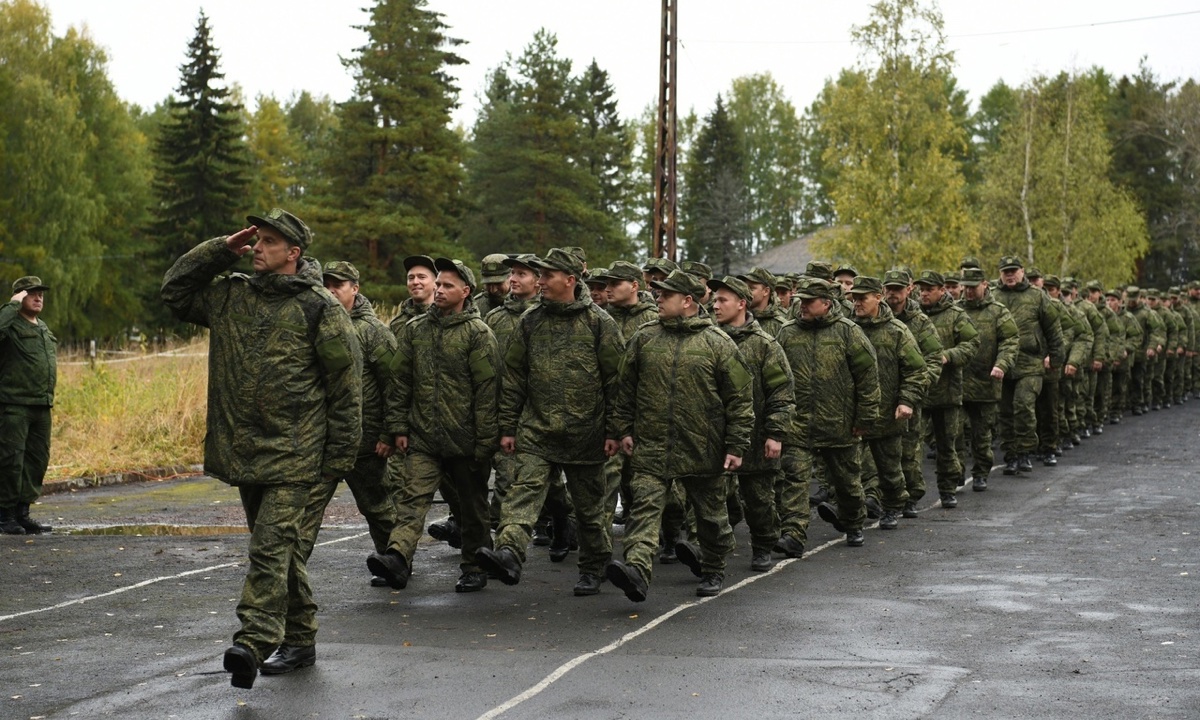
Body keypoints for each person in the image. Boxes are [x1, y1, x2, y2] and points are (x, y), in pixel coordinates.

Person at [161, 208, 362, 689]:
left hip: (298, 455)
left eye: (269, 242)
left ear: (293, 253)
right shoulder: (231, 295)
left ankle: (252, 642)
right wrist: (220, 249)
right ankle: (302, 639)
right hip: (245, 451)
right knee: (282, 551)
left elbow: (345, 389)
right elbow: (174, 292)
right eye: (256, 240)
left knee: (270, 549)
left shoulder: (320, 309)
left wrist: (336, 460)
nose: (257, 248)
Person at [476, 248, 625, 596]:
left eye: (547, 275)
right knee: (521, 495)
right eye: (538, 275)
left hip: (585, 435)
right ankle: (510, 553)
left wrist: (615, 431)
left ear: (570, 280)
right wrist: (509, 426)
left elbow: (616, 382)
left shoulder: (600, 323)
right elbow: (514, 377)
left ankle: (593, 567)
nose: (540, 281)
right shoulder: (530, 321)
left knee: (589, 512)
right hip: (537, 430)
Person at [607, 270, 755, 601]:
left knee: (711, 517)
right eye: (656, 294)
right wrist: (623, 430)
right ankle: (637, 571)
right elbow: (624, 389)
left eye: (665, 295)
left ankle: (713, 566)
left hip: (703, 448)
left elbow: (740, 400)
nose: (657, 299)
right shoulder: (645, 338)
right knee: (644, 508)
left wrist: (736, 446)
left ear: (687, 301)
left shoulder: (718, 344)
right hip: (652, 445)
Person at [369, 259, 500, 594]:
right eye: (438, 284)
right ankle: (397, 557)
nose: (439, 290)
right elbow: (400, 383)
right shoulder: (416, 330)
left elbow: (487, 392)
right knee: (412, 499)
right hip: (424, 437)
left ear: (466, 292)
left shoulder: (478, 334)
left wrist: (485, 442)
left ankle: (475, 565)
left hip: (466, 441)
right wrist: (397, 428)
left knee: (472, 508)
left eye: (448, 286)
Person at [778, 278, 881, 547]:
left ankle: (853, 521)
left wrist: (865, 418)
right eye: (800, 300)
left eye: (809, 301)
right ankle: (793, 534)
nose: (802, 306)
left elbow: (867, 377)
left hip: (840, 424)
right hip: (798, 424)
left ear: (826, 303)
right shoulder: (787, 333)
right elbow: (775, 378)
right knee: (795, 480)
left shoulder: (848, 332)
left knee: (847, 482)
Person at [321, 262, 400, 587]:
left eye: (337, 285)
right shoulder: (318, 325)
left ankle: (395, 559)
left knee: (377, 505)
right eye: (326, 284)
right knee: (308, 507)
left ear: (355, 288)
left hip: (366, 440)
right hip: (324, 438)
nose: (331, 290)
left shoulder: (372, 331)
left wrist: (388, 433)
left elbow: (394, 385)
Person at [708, 275, 794, 570]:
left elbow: (781, 392)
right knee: (710, 499)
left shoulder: (764, 345)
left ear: (742, 304)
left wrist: (775, 433)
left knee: (758, 500)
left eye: (722, 300)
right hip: (714, 436)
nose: (715, 305)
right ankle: (709, 552)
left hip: (755, 438)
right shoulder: (707, 338)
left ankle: (763, 543)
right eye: (714, 299)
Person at [393, 254, 461, 549]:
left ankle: (465, 527)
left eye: (422, 276)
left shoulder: (458, 320)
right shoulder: (398, 325)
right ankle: (398, 555)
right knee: (408, 491)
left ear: (436, 283)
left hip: (452, 426)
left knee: (457, 490)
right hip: (413, 425)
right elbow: (394, 377)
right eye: (411, 277)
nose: (415, 282)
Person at [848, 275, 926, 529]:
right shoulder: (846, 328)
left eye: (863, 298)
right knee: (850, 468)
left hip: (887, 412)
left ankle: (892, 506)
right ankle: (854, 512)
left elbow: (917, 370)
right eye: (854, 298)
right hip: (853, 413)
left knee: (889, 468)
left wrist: (906, 401)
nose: (857, 303)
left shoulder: (897, 331)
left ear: (878, 297)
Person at [994, 256, 1063, 475]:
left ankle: (1025, 452)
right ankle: (1011, 455)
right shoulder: (994, 297)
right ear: (1000, 274)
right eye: (1006, 272)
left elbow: (1053, 328)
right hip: (1003, 364)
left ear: (1022, 272)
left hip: (1031, 362)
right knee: (1005, 411)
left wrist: (1055, 357)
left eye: (1014, 271)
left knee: (1023, 405)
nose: (1010, 275)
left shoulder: (1037, 296)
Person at [915, 270, 979, 507]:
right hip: (918, 392)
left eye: (929, 289)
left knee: (947, 445)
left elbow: (973, 343)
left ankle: (948, 488)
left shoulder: (956, 316)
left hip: (947, 392)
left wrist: (949, 356)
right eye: (921, 289)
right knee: (912, 445)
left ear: (942, 290)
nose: (924, 294)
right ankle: (910, 494)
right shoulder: (913, 316)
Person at [883, 269, 942, 517]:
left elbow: (934, 358)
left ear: (908, 290)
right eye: (889, 289)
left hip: (910, 396)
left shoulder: (920, 322)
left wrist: (917, 388)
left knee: (908, 450)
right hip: (880, 397)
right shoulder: (874, 319)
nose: (892, 295)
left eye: (897, 289)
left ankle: (911, 494)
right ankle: (885, 497)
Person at [0, 276, 57, 535]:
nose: (38, 298)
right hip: (15, 403)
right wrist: (11, 306)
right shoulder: (10, 323)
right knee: (11, 461)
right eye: (31, 293)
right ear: (19, 296)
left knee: (36, 460)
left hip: (41, 404)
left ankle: (23, 513)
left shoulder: (42, 327)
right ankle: (5, 516)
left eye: (40, 294)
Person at [958, 268, 1019, 491]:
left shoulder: (997, 312)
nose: (968, 291)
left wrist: (1002, 364)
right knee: (954, 431)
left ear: (985, 284)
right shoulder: (955, 310)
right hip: (958, 383)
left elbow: (1010, 340)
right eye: (965, 287)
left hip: (986, 382)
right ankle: (956, 472)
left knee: (981, 433)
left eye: (972, 287)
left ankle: (981, 472)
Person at [737, 267, 787, 337]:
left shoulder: (781, 327)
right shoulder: (738, 319)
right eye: (745, 287)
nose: (746, 292)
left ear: (766, 291)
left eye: (751, 288)